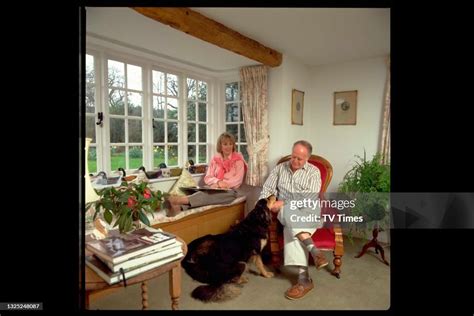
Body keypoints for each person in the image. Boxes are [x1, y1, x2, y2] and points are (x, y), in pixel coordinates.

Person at [258, 140, 328, 300]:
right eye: (293, 157)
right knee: (287, 213)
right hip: (288, 213)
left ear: (307, 158)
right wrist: (267, 202)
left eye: (300, 159)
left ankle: (304, 279)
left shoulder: (313, 172)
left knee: (288, 218)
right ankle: (313, 253)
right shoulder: (279, 169)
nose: (295, 161)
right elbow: (267, 189)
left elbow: (310, 197)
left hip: (308, 212)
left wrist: (284, 202)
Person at [166, 132, 247, 216]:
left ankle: (177, 200)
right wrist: (218, 182)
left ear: (233, 145)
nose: (228, 147)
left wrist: (222, 184)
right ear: (220, 146)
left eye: (231, 144)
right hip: (214, 188)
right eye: (225, 144)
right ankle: (179, 208)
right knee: (203, 193)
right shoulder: (215, 160)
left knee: (208, 196)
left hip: (231, 191)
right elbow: (208, 177)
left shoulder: (238, 160)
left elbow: (238, 180)